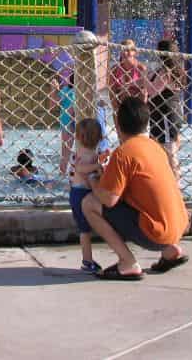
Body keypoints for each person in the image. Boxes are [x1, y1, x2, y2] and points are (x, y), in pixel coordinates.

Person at [83, 96, 190, 281]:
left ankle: (127, 262)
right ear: (146, 122)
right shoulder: (156, 147)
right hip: (178, 227)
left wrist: (93, 180)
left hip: (155, 234)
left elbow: (109, 199)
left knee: (89, 203)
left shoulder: (123, 153)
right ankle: (171, 250)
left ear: (118, 123)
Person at [68, 117, 107, 273]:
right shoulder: (85, 154)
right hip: (80, 193)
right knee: (85, 231)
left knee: (86, 230)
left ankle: (88, 260)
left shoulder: (87, 152)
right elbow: (80, 168)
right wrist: (98, 165)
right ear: (100, 138)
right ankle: (87, 261)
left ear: (77, 137)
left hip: (80, 192)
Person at [148, 39, 187, 177]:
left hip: (165, 114)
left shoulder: (166, 72)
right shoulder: (175, 69)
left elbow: (152, 91)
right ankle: (167, 179)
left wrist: (142, 83)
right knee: (163, 148)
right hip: (166, 113)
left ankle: (176, 180)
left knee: (169, 151)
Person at [108, 40, 149, 110]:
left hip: (137, 105)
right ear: (120, 52)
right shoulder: (114, 70)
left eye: (130, 50)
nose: (127, 52)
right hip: (121, 105)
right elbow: (112, 94)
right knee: (124, 95)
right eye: (124, 50)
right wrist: (116, 111)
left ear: (135, 53)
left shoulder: (141, 68)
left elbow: (145, 93)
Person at [56, 68, 76, 175]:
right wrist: (54, 89)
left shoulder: (82, 91)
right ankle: (62, 172)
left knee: (71, 150)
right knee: (66, 150)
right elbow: (54, 103)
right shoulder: (66, 90)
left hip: (77, 122)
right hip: (67, 123)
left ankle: (67, 172)